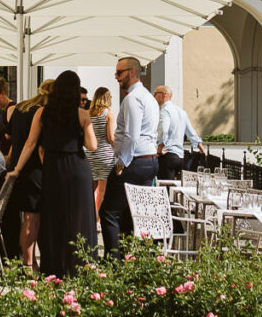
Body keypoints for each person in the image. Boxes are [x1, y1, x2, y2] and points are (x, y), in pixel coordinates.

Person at [11, 69, 97, 277]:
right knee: (79, 217)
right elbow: (92, 145)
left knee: (54, 217)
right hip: (77, 168)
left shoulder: (42, 112)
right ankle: (80, 265)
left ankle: (54, 266)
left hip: (53, 168)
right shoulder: (82, 114)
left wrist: (16, 169)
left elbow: (30, 144)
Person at [100, 56, 159, 254]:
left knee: (108, 212)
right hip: (149, 160)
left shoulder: (133, 98)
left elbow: (132, 135)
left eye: (119, 72)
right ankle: (131, 259)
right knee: (133, 214)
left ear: (132, 72)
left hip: (135, 161)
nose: (116, 77)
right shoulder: (149, 97)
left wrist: (122, 163)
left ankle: (114, 263)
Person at [3, 81, 50, 267]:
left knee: (28, 218)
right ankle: (29, 263)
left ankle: (29, 261)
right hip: (33, 168)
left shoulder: (21, 107)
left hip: (17, 164)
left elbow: (9, 136)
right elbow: (38, 145)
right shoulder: (42, 111)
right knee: (33, 218)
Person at [155, 84, 202, 181]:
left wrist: (159, 150)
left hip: (168, 156)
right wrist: (202, 149)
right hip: (180, 158)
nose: (153, 96)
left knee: (165, 190)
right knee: (175, 189)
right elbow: (191, 132)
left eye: (155, 94)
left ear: (163, 94)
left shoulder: (165, 110)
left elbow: (164, 130)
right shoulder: (181, 112)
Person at [87, 86, 116, 212]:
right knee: (103, 190)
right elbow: (110, 138)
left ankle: (88, 218)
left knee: (90, 189)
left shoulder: (88, 113)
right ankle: (98, 219)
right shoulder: (108, 114)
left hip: (91, 154)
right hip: (105, 154)